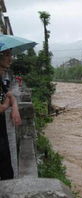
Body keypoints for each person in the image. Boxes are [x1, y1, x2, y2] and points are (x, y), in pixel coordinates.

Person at [0, 49, 21, 180]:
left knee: (7, 171)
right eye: (7, 55)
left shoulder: (1, 80)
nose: (11, 59)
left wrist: (15, 107)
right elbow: (5, 102)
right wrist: (5, 106)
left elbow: (10, 95)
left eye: (11, 55)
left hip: (2, 132)